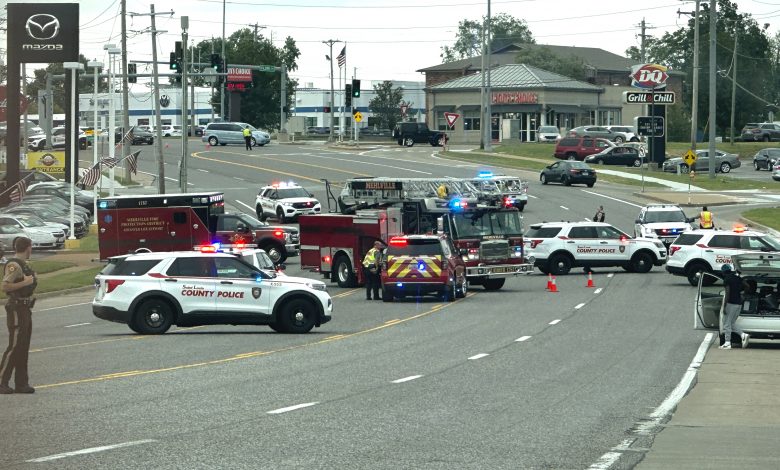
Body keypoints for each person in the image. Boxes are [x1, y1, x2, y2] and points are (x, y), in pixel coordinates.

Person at [0, 237, 37, 394]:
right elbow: (5, 286)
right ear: (28, 247)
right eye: (31, 247)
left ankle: (21, 383)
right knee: (15, 346)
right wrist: (26, 282)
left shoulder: (24, 265)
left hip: (25, 308)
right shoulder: (14, 265)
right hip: (16, 308)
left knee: (23, 346)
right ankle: (2, 381)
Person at [719, 264, 749, 350]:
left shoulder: (726, 280)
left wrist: (725, 306)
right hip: (739, 303)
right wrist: (743, 294)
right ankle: (743, 335)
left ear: (723, 272)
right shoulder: (737, 278)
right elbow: (747, 286)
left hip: (731, 303)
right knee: (731, 323)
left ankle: (727, 343)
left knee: (726, 323)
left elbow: (727, 293)